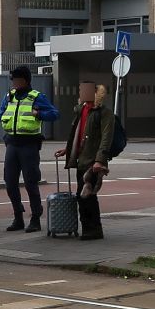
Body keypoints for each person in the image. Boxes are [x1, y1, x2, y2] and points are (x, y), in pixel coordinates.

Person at [0, 65, 59, 232]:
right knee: (10, 182)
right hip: (11, 144)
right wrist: (2, 116)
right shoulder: (9, 96)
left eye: (18, 80)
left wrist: (38, 114)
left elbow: (55, 114)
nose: (15, 84)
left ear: (26, 81)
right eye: (13, 81)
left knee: (30, 182)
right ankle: (18, 217)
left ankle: (35, 218)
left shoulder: (37, 97)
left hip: (29, 145)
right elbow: (1, 112)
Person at [57, 79, 116, 240]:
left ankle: (94, 229)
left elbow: (106, 138)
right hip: (82, 159)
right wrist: (68, 150)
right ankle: (89, 228)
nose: (80, 93)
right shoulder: (81, 109)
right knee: (82, 195)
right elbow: (78, 134)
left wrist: (100, 160)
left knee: (87, 195)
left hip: (93, 161)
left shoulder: (104, 113)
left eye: (84, 90)